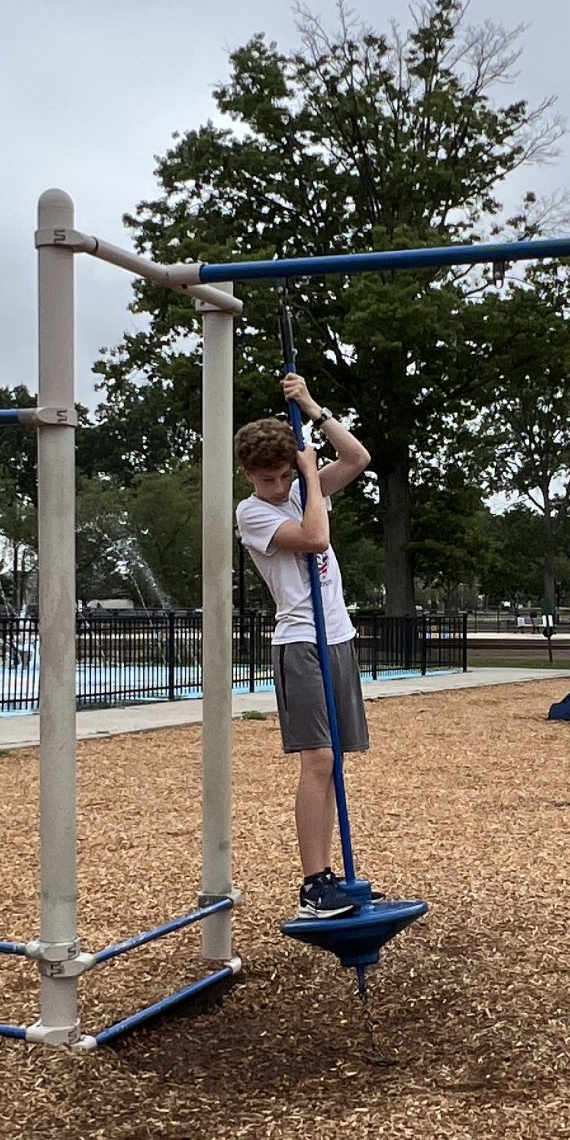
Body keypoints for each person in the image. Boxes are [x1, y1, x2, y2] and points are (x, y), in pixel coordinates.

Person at [234, 371, 373, 918]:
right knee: (316, 759)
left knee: (334, 760)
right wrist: (310, 478)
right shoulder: (254, 513)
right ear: (248, 474)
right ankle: (313, 883)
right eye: (266, 478)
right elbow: (315, 538)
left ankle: (332, 876)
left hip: (336, 636)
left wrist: (314, 409)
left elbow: (358, 458)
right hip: (299, 642)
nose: (276, 487)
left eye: (282, 476)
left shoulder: (299, 490)